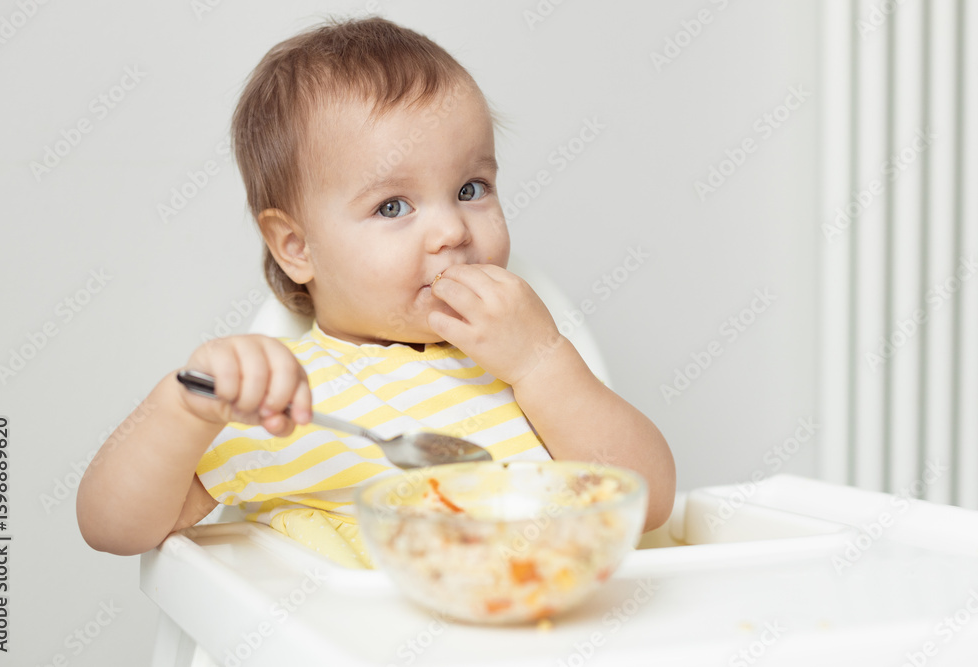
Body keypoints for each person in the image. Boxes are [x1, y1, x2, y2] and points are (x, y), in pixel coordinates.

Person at [76, 16, 675, 568]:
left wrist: (542, 360)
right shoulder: (288, 401)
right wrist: (183, 408)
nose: (452, 230)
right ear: (297, 246)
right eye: (393, 206)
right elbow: (113, 528)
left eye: (471, 188)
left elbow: (646, 503)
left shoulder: (527, 370)